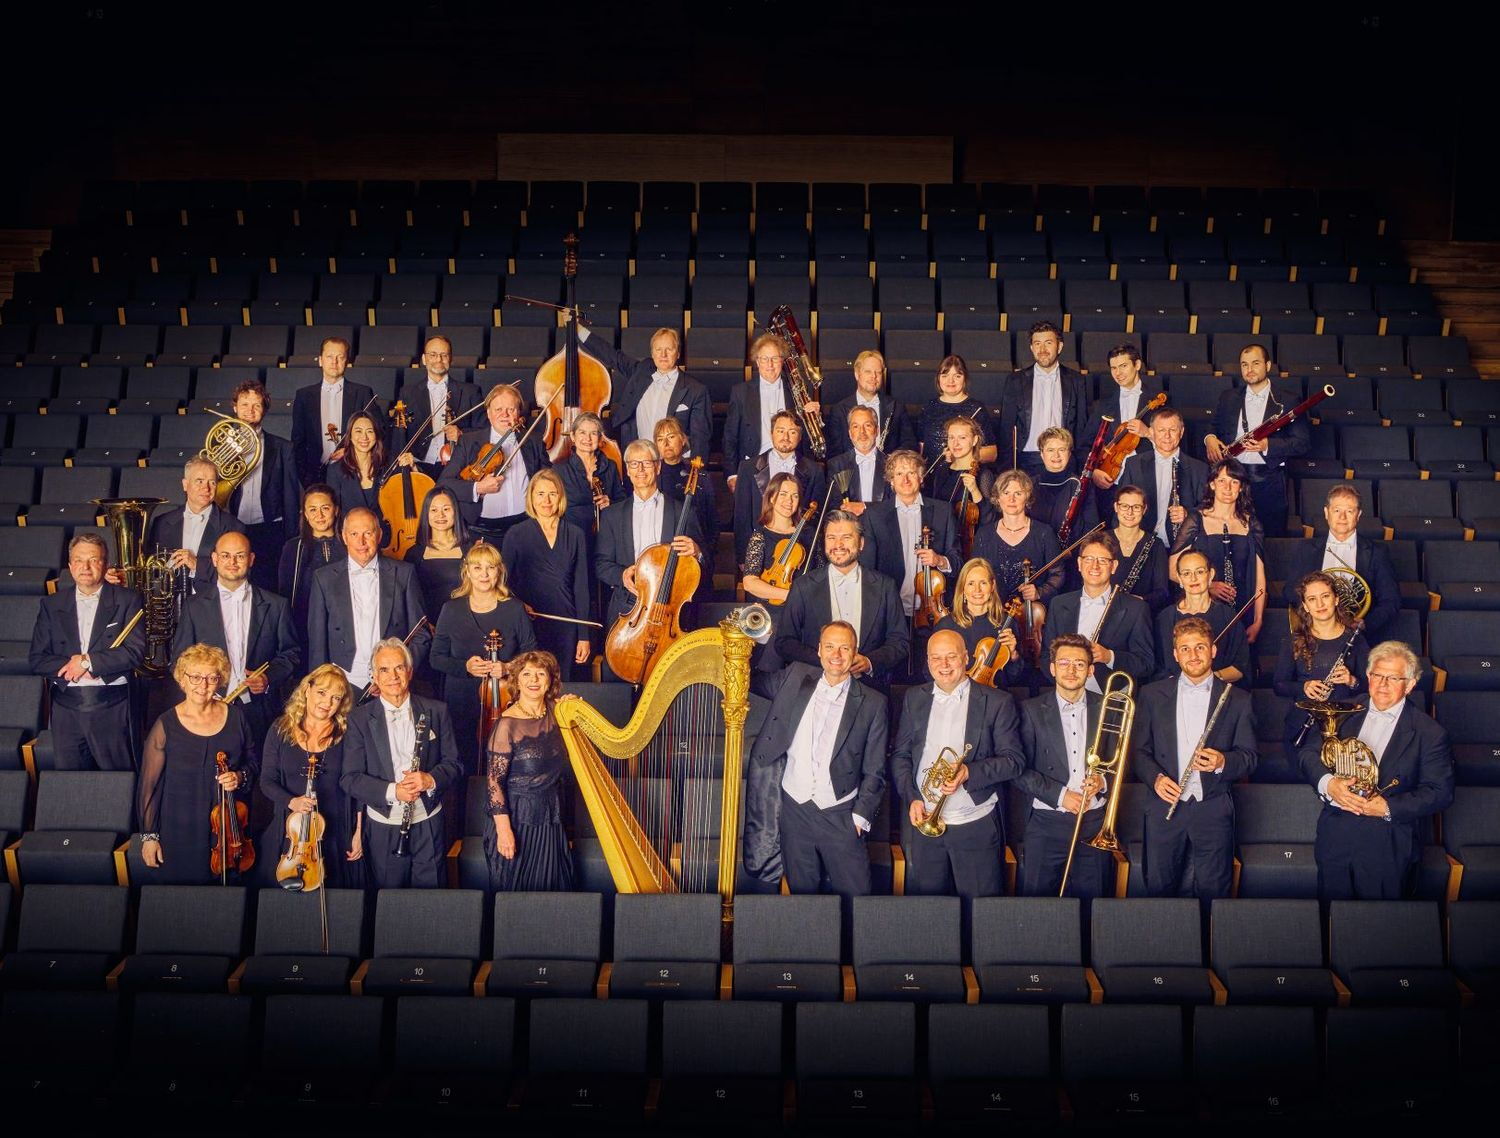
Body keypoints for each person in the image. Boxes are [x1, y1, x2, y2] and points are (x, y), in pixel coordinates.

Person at [742, 621, 889, 898]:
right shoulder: (795, 677)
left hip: (841, 813)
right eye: (830, 646)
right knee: (803, 898)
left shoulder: (874, 702)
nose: (837, 654)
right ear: (819, 650)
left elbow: (875, 770)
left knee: (857, 897)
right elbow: (748, 677)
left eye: (845, 648)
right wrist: (758, 636)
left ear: (855, 653)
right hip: (794, 809)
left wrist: (860, 817)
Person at [1298, 641, 1454, 900]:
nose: (1383, 684)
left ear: (1411, 685)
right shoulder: (1343, 710)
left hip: (1387, 842)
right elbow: (1307, 754)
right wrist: (1329, 784)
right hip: (1336, 834)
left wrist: (1387, 808)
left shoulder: (1430, 733)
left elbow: (1440, 792)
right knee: (1331, 919)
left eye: (1393, 678)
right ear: (1368, 676)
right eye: (1378, 675)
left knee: (1377, 928)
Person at [890, 629, 1024, 899]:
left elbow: (1014, 762)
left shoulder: (997, 701)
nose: (944, 665)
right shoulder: (914, 698)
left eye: (951, 656)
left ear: (966, 658)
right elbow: (901, 755)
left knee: (981, 910)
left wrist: (968, 772)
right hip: (924, 820)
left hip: (975, 821)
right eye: (936, 658)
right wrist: (912, 797)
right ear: (927, 662)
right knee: (929, 913)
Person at [1134, 617, 1257, 898]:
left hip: (1212, 808)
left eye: (1200, 647)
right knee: (1159, 889)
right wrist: (1156, 779)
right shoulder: (1152, 695)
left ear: (1213, 650)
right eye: (1185, 649)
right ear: (1175, 654)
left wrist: (1222, 762)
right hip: (1164, 805)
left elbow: (1249, 757)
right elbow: (1139, 752)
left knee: (1214, 892)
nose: (1193, 655)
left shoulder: (1238, 699)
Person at [340, 638, 462, 889]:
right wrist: (393, 791)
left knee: (431, 901)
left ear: (410, 671)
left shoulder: (436, 711)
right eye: (384, 670)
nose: (392, 676)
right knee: (388, 904)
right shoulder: (359, 719)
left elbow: (454, 764)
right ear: (373, 676)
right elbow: (350, 778)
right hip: (384, 825)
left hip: (428, 820)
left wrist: (430, 779)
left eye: (399, 667)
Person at [137, 643, 259, 884]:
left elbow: (253, 763)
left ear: (221, 680)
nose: (203, 685)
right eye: (195, 677)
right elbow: (148, 787)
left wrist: (239, 777)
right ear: (182, 680)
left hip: (227, 828)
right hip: (180, 825)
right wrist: (149, 837)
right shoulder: (165, 724)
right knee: (185, 900)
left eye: (212, 678)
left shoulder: (236, 717)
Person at [171, 531, 301, 748]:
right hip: (207, 707)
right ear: (214, 559)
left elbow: (291, 653)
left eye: (240, 556)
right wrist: (199, 691)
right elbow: (179, 660)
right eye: (225, 556)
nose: (232, 562)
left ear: (251, 559)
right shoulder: (194, 606)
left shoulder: (276, 605)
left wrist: (268, 678)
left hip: (259, 709)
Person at [29, 534, 145, 771]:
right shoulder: (51, 604)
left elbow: (135, 652)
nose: (86, 567)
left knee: (117, 783)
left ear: (104, 563)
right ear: (70, 566)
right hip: (65, 708)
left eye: (93, 559)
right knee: (73, 786)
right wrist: (72, 669)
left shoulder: (128, 600)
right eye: (78, 560)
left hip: (112, 705)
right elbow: (37, 659)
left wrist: (88, 662)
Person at [1015, 634, 1112, 897]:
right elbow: (1018, 769)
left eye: (1080, 664)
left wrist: (1103, 782)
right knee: (1038, 904)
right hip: (1046, 821)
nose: (1071, 670)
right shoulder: (1030, 710)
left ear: (1090, 670)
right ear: (1052, 668)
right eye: (1065, 663)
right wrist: (1060, 795)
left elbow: (1123, 762)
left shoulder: (1108, 707)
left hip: (1094, 820)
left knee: (1093, 903)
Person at [431, 542, 537, 774]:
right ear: (467, 571)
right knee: (464, 757)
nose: (484, 574)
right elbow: (436, 658)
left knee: (507, 758)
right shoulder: (451, 609)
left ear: (499, 571)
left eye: (490, 567)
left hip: (504, 699)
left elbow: (532, 654)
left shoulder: (514, 609)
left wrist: (509, 667)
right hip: (461, 697)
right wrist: (465, 667)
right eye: (477, 568)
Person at [257, 664, 363, 889]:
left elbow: (358, 785)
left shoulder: (347, 735)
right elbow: (266, 780)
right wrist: (291, 801)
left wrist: (359, 832)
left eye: (336, 698)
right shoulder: (280, 729)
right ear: (307, 690)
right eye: (322, 693)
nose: (327, 703)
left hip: (336, 832)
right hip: (290, 832)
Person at [775, 512, 910, 685]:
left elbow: (900, 642)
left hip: (869, 689)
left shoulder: (885, 586)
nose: (838, 545)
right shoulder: (804, 586)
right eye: (831, 538)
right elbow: (784, 642)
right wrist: (829, 662)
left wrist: (869, 662)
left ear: (861, 543)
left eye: (846, 537)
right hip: (815, 685)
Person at [307, 507, 431, 694]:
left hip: (392, 684)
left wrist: (395, 674)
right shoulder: (323, 578)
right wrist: (321, 686)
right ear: (344, 536)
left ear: (379, 535)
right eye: (354, 533)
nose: (361, 541)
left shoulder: (404, 573)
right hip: (343, 680)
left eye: (368, 533)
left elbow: (421, 634)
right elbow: (317, 641)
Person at [484, 649, 575, 892]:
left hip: (552, 818)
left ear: (550, 680)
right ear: (516, 681)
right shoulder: (506, 725)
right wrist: (504, 832)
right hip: (518, 820)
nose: (533, 680)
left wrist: (576, 710)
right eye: (526, 674)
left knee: (555, 895)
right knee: (519, 899)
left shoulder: (560, 713)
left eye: (540, 673)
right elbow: (494, 784)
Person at [595, 439, 703, 630]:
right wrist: (622, 575)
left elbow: (705, 562)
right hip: (626, 606)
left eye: (647, 463)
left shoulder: (682, 511)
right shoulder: (612, 515)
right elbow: (601, 564)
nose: (641, 470)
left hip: (669, 605)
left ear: (658, 467)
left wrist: (697, 552)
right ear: (627, 470)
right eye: (634, 464)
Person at [1203, 343, 1309, 536]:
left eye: (1255, 363)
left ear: (1268, 366)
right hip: (1233, 478)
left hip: (1269, 479)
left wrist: (1268, 445)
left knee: (1270, 537)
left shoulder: (1289, 400)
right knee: (1232, 535)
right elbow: (1213, 426)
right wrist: (1209, 438)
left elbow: (1302, 443)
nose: (1249, 370)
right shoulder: (1228, 397)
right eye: (1244, 365)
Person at [1280, 483, 1400, 645]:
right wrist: (1317, 618)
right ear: (1326, 513)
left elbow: (1391, 601)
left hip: (1357, 637)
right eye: (1337, 510)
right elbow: (1290, 591)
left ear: (1358, 515)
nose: (1342, 517)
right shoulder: (1306, 549)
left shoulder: (1377, 552)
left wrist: (1365, 623)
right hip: (1313, 633)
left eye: (1349, 511)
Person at [575, 320, 712, 462]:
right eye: (658, 350)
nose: (663, 355)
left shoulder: (696, 390)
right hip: (636, 458)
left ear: (678, 353)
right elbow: (612, 356)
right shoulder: (642, 371)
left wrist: (694, 474)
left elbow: (700, 438)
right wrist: (579, 330)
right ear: (652, 353)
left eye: (669, 349)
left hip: (672, 464)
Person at [502, 470, 594, 681]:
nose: (546, 500)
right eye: (540, 494)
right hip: (528, 625)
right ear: (531, 498)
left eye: (552, 494)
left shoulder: (576, 534)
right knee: (531, 684)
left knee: (563, 686)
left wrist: (583, 636)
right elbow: (502, 584)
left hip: (566, 625)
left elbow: (581, 588)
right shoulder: (515, 534)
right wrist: (519, 605)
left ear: (560, 497)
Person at [1041, 531, 1155, 693]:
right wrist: (1065, 683)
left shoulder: (1136, 608)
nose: (1095, 566)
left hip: (1110, 695)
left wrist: (1109, 656)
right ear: (1079, 564)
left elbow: (1146, 663)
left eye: (1102, 560)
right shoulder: (1058, 604)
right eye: (1089, 559)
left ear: (1113, 566)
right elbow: (1047, 657)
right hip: (1067, 693)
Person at [971, 469, 1064, 666]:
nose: (1012, 499)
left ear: (1027, 497)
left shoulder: (1044, 533)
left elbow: (1058, 574)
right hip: (994, 615)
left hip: (1033, 618)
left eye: (1018, 493)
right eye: (1006, 493)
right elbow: (976, 574)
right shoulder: (985, 535)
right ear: (997, 497)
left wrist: (1038, 592)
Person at [439, 384, 551, 544]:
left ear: (518, 413)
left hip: (525, 526)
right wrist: (477, 488)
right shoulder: (469, 441)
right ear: (489, 414)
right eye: (498, 409)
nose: (505, 415)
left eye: (511, 409)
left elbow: (548, 480)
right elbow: (443, 483)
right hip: (480, 529)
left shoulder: (532, 441)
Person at [1275, 572, 1370, 760]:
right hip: (1303, 725)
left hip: (1346, 728)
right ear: (1305, 606)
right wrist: (1304, 686)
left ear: (1335, 599)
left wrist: (1351, 681)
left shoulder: (1356, 640)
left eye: (1325, 596)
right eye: (1312, 599)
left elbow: (1370, 687)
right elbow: (1279, 685)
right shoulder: (1294, 641)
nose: (1319, 604)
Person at [1168, 458, 1266, 640]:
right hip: (1203, 609)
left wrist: (1258, 620)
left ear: (1241, 487)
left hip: (1242, 610)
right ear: (1212, 484)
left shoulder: (1252, 524)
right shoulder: (1196, 520)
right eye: (1222, 481)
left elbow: (1260, 579)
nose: (1227, 488)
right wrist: (1207, 585)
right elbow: (1173, 570)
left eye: (1234, 482)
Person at [863, 449, 960, 624]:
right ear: (891, 481)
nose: (905, 479)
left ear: (921, 478)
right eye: (899, 474)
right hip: (892, 610)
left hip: (934, 611)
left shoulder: (943, 511)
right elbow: (868, 569)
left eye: (911, 473)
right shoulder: (874, 515)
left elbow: (957, 561)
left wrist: (939, 561)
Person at [225, 379, 300, 592]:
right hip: (232, 527)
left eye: (257, 405)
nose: (250, 410)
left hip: (270, 530)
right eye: (245, 404)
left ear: (264, 410)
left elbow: (291, 497)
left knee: (268, 590)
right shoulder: (220, 446)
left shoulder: (282, 448)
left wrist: (291, 539)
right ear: (235, 408)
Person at [731, 409, 826, 567]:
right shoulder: (748, 468)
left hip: (798, 549)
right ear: (771, 433)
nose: (785, 437)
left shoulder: (814, 470)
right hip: (760, 548)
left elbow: (817, 516)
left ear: (800, 436)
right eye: (780, 431)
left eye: (792, 432)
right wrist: (743, 557)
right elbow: (742, 515)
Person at [137, 456, 246, 593]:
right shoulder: (162, 523)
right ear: (185, 484)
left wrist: (197, 564)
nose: (206, 488)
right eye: (199, 481)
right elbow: (150, 569)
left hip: (211, 607)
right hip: (170, 608)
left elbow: (239, 575)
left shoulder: (233, 527)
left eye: (212, 482)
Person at [1102, 406, 1207, 547]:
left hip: (1182, 545)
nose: (1167, 436)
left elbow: (1208, 508)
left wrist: (1188, 514)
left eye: (1173, 430)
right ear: (1151, 432)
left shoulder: (1199, 469)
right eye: (1161, 430)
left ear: (1181, 432)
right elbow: (1120, 506)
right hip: (1140, 543)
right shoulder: (1134, 464)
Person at [1002, 321, 1088, 478]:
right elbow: (1006, 428)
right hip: (1027, 459)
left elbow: (1081, 426)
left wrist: (1081, 466)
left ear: (1059, 346)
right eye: (1037, 344)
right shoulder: (1015, 381)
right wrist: (1007, 470)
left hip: (1062, 459)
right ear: (1031, 348)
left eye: (1048, 343)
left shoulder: (1077, 381)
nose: (1042, 350)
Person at [1153, 550, 1249, 685]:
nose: (1193, 579)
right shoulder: (1164, 619)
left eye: (1199, 572)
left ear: (1211, 575)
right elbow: (1157, 669)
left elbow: (1240, 668)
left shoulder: (1228, 617)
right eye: (1186, 573)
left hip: (1216, 693)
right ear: (1179, 579)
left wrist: (1208, 679)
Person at [392, 334, 482, 478]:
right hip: (418, 464)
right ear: (424, 359)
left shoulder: (470, 392)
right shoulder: (407, 393)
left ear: (451, 359)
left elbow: (484, 430)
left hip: (456, 466)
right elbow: (399, 434)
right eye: (433, 355)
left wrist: (462, 434)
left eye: (444, 355)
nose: (438, 360)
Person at [291, 336, 376, 486]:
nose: (334, 362)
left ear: (347, 362)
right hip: (314, 474)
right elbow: (298, 440)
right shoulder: (303, 396)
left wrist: (350, 451)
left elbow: (376, 432)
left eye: (340, 357)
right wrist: (304, 476)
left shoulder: (363, 393)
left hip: (352, 471)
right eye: (329, 356)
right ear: (320, 360)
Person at [934, 558, 1025, 688]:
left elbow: (1015, 679)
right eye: (971, 583)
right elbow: (930, 671)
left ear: (992, 586)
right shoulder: (945, 626)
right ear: (963, 588)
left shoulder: (1007, 623)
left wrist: (1013, 654)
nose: (977, 590)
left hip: (995, 698)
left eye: (983, 583)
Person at [723, 331, 796, 487]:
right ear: (757, 362)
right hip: (753, 468)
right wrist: (732, 474)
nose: (770, 365)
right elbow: (730, 437)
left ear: (782, 361)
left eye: (774, 359)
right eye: (764, 359)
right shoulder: (740, 392)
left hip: (790, 466)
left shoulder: (797, 391)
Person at [823, 349, 917, 458]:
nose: (874, 376)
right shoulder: (839, 410)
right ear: (857, 374)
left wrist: (891, 460)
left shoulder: (896, 407)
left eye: (878, 372)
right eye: (868, 371)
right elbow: (835, 452)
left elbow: (910, 444)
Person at [278, 485, 345, 637]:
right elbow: (286, 595)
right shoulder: (293, 547)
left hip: (345, 625)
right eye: (313, 510)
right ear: (306, 514)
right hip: (306, 627)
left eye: (325, 508)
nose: (319, 515)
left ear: (336, 510)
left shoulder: (350, 544)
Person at [553, 411, 626, 551]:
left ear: (599, 438)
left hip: (606, 536)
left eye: (593, 433)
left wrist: (610, 502)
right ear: (573, 436)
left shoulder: (610, 465)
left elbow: (622, 500)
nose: (588, 438)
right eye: (582, 432)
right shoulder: (560, 469)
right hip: (572, 539)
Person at [926, 415, 995, 559]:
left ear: (974, 440)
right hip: (942, 543)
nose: (956, 443)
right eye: (951, 438)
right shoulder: (941, 471)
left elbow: (990, 519)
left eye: (962, 438)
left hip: (971, 546)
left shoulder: (983, 474)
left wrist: (975, 491)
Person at [402, 486, 471, 626]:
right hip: (428, 629)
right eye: (434, 510)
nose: (440, 515)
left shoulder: (471, 550)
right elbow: (409, 600)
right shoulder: (414, 554)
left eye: (446, 509)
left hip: (465, 625)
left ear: (455, 512)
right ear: (426, 514)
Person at [326, 410, 409, 528]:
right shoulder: (335, 470)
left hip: (388, 538)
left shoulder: (390, 465)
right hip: (352, 540)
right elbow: (334, 513)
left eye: (369, 431)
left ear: (376, 435)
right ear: (349, 436)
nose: (364, 437)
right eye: (358, 431)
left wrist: (412, 467)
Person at [1083, 342, 1162, 449]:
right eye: (1113, 368)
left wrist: (1148, 433)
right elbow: (1085, 446)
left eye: (1123, 366)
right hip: (1111, 465)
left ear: (1137, 365)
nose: (1118, 373)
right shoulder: (1101, 406)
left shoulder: (1159, 401)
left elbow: (1172, 443)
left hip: (1147, 465)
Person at [1109, 485, 1171, 615]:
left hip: (1141, 615)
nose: (1130, 512)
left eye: (1136, 507)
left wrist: (1140, 600)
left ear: (1144, 510)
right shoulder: (1101, 541)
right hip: (1105, 611)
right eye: (1124, 506)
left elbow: (1162, 592)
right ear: (1116, 507)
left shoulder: (1156, 545)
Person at [1030, 426, 1098, 541]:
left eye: (1062, 450)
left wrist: (1072, 551)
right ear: (1041, 454)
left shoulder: (1080, 485)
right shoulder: (1030, 485)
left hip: (1070, 553)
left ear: (1069, 454)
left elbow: (1091, 527)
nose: (1056, 455)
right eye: (1050, 450)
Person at [919, 355, 990, 463]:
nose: (950, 380)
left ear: (965, 378)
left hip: (963, 475)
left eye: (957, 376)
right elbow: (921, 446)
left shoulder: (977, 408)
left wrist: (962, 457)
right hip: (931, 475)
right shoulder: (928, 407)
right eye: (945, 375)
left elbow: (992, 452)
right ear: (938, 378)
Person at [654, 416, 716, 540]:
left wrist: (704, 552)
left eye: (671, 437)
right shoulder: (652, 475)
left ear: (682, 440)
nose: (666, 444)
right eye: (660, 439)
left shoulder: (700, 475)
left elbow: (711, 521)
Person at [825, 405, 887, 517]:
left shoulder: (891, 464)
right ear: (849, 433)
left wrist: (864, 506)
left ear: (877, 430)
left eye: (867, 426)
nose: (862, 432)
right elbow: (833, 506)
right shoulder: (836, 465)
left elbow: (894, 504)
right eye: (856, 427)